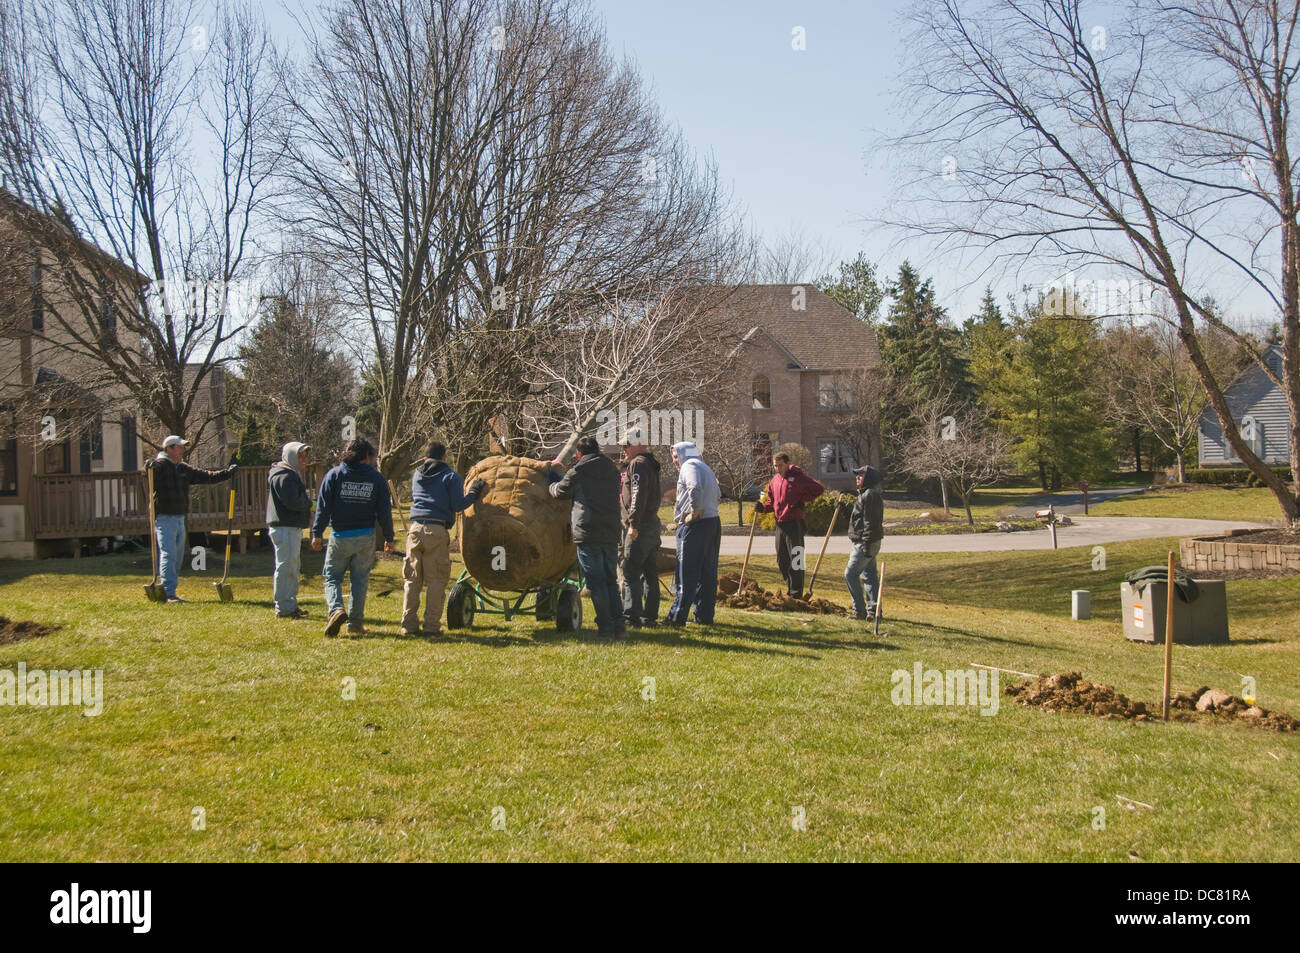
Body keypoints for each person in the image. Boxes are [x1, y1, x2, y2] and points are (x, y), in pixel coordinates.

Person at [310, 438, 395, 637]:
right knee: (360, 580)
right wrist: (389, 538)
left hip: (340, 535)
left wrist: (316, 534)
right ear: (366, 456)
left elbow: (323, 508)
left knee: (332, 577)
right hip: (365, 536)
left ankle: (336, 609)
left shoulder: (334, 475)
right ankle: (355, 623)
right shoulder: (376, 478)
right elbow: (384, 511)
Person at [402, 442, 487, 636]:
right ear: (444, 457)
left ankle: (408, 625)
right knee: (436, 581)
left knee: (412, 580)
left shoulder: (417, 474)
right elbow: (458, 505)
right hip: (436, 531)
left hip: (414, 530)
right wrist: (473, 492)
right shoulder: (450, 477)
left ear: (425, 458)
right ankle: (431, 626)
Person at [548, 436, 625, 639]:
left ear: (579, 454)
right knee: (610, 581)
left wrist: (551, 483)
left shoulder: (578, 471)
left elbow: (561, 492)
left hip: (588, 532)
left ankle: (606, 628)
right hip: (610, 531)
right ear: (598, 450)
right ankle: (620, 628)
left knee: (596, 583)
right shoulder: (612, 471)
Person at [146, 435, 238, 603]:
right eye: (180, 447)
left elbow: (206, 476)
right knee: (169, 555)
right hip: (164, 518)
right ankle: (167, 593)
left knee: (178, 556)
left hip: (180, 517)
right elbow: (148, 475)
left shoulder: (182, 468)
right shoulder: (159, 466)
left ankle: (170, 590)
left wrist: (227, 474)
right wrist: (148, 468)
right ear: (169, 449)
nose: (183, 450)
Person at [753, 451, 825, 598]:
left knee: (796, 559)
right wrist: (763, 508)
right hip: (780, 525)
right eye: (775, 466)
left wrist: (802, 500)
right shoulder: (775, 481)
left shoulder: (798, 478)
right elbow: (771, 502)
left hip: (795, 524)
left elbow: (819, 489)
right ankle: (790, 587)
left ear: (787, 463)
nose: (778, 468)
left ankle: (796, 594)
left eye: (780, 465)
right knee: (782, 559)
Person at [666, 441, 721, 627]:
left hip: (695, 525)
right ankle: (704, 616)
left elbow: (694, 486)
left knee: (686, 572)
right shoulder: (705, 467)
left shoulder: (689, 466)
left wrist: (694, 510)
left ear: (683, 454)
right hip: (712, 522)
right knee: (707, 573)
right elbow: (718, 493)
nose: (675, 461)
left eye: (675, 456)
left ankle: (676, 617)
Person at [620, 428, 662, 628]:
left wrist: (633, 524)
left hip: (641, 525)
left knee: (630, 571)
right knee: (650, 572)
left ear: (638, 443)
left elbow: (637, 494)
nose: (624, 450)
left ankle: (631, 616)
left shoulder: (638, 464)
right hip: (652, 523)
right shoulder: (650, 463)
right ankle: (650, 616)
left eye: (626, 445)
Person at [266, 441, 314, 619]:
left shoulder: (289, 473)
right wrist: (310, 504)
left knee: (292, 568)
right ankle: (284, 608)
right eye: (301, 455)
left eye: (305, 455)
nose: (304, 459)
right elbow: (292, 501)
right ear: (291, 456)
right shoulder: (283, 475)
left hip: (290, 527)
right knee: (286, 568)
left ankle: (290, 605)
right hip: (284, 527)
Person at [845, 465, 885, 620]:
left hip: (866, 541)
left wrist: (867, 543)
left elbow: (871, 522)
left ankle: (859, 610)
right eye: (857, 475)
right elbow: (860, 518)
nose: (857, 478)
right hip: (868, 540)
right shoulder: (866, 494)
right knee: (869, 576)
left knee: (850, 574)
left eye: (860, 476)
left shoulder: (870, 495)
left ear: (868, 479)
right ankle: (874, 611)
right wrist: (845, 510)